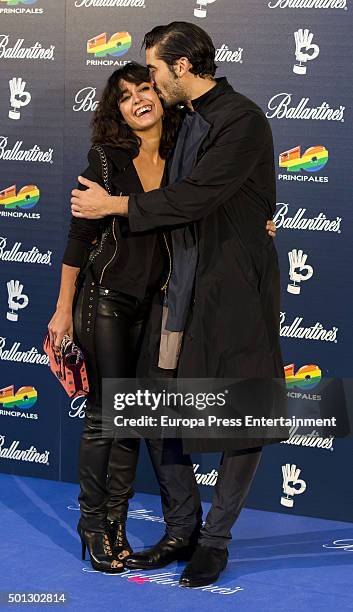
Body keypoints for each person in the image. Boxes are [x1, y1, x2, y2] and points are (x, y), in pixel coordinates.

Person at [70, 20, 283, 587]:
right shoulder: (185, 119)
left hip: (235, 288)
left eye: (157, 71)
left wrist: (113, 207)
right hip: (177, 286)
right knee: (152, 406)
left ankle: (214, 541)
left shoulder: (240, 119)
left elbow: (193, 198)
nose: (152, 83)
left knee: (244, 412)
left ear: (181, 68)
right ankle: (181, 528)